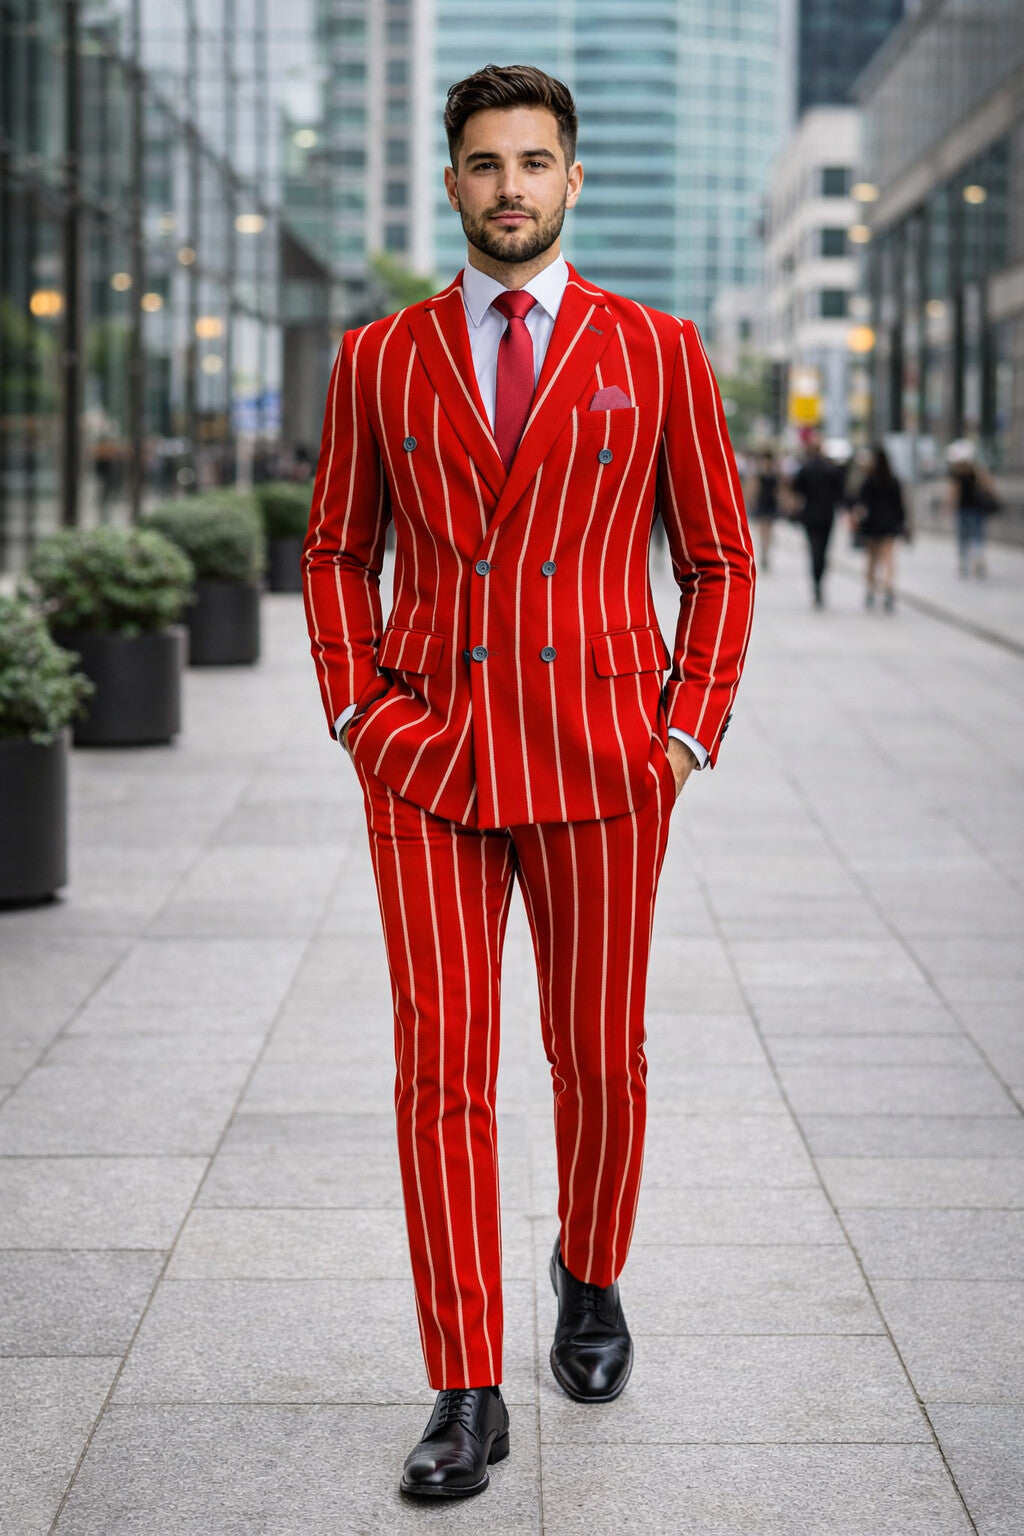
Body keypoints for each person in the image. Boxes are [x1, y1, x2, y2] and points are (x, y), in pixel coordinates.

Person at [303, 64, 755, 1501]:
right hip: (426, 758)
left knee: (598, 1056)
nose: (511, 186)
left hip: (607, 759)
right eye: (485, 163)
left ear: (573, 180)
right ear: (451, 183)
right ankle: (463, 1383)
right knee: (441, 1071)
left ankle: (593, 1268)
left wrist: (685, 729)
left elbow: (719, 558)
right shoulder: (380, 356)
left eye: (535, 162)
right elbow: (331, 548)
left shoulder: (661, 350)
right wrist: (355, 711)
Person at [789, 431, 847, 608]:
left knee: (814, 549)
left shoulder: (805, 469)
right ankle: (819, 579)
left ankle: (816, 581)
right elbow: (840, 494)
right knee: (823, 550)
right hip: (827, 514)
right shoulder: (832, 470)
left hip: (809, 514)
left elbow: (796, 490)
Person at [850, 444, 907, 611]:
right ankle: (889, 588)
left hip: (873, 523)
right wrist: (902, 523)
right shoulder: (894, 480)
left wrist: (856, 520)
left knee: (872, 559)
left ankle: (870, 589)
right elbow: (900, 505)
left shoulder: (870, 480)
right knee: (889, 559)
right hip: (889, 523)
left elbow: (861, 504)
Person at [946, 440, 999, 577]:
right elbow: (990, 485)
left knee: (963, 538)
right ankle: (978, 557)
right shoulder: (977, 472)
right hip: (977, 509)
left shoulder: (957, 474)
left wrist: (949, 507)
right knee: (978, 535)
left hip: (963, 509)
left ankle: (964, 563)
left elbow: (953, 493)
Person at [749, 449, 780, 572]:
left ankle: (766, 552)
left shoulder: (774, 473)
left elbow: (778, 490)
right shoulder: (759, 474)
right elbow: (754, 488)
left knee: (769, 531)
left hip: (771, 504)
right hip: (762, 503)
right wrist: (752, 499)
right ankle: (764, 552)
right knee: (763, 531)